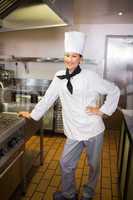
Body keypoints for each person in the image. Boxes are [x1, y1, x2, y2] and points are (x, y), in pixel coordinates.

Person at [19, 31, 120, 200]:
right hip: (73, 131)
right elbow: (48, 99)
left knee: (93, 165)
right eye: (67, 55)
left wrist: (102, 111)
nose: (70, 59)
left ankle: (88, 192)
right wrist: (32, 114)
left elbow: (114, 90)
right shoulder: (58, 76)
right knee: (66, 163)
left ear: (80, 58)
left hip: (93, 129)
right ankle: (69, 193)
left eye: (74, 56)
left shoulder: (90, 76)